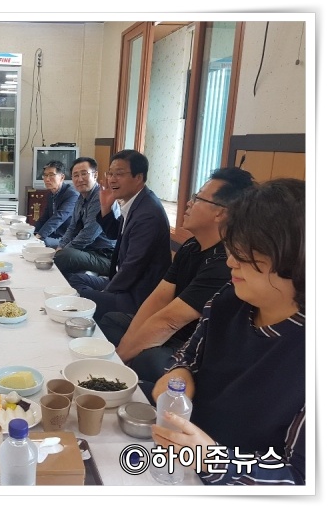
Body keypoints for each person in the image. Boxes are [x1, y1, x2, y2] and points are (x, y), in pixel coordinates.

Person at [151, 178, 305, 485]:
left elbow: (300, 478)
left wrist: (213, 459)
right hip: (178, 457)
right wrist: (177, 378)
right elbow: (187, 358)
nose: (231, 262)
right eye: (232, 248)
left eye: (247, 254)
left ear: (297, 260)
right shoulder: (229, 300)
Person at [102, 167, 255, 386]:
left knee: (149, 359)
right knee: (112, 322)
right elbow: (158, 300)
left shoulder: (223, 263)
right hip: (173, 335)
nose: (189, 203)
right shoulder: (191, 245)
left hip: (194, 348)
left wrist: (118, 361)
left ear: (221, 213)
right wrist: (123, 350)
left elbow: (170, 321)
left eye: (198, 198)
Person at [67, 150, 171, 322]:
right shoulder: (135, 201)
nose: (112, 179)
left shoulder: (148, 213)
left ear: (139, 177)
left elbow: (133, 266)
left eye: (120, 174)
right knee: (73, 280)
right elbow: (115, 234)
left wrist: (105, 293)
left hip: (137, 295)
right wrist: (105, 208)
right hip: (123, 282)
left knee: (77, 298)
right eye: (110, 174)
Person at [53, 157, 117, 276]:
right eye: (75, 175)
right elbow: (72, 228)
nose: (80, 179)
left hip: (105, 256)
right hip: (88, 250)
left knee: (63, 256)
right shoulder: (81, 198)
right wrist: (60, 246)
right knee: (52, 248)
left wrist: (62, 251)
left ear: (95, 175)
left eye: (84, 174)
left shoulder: (100, 198)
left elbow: (88, 235)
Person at [33, 160, 79, 248]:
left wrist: (39, 236)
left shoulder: (72, 194)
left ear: (62, 177)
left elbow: (59, 217)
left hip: (66, 237)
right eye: (45, 175)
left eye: (51, 175)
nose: (47, 179)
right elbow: (44, 218)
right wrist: (32, 232)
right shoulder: (51, 194)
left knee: (40, 243)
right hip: (53, 234)